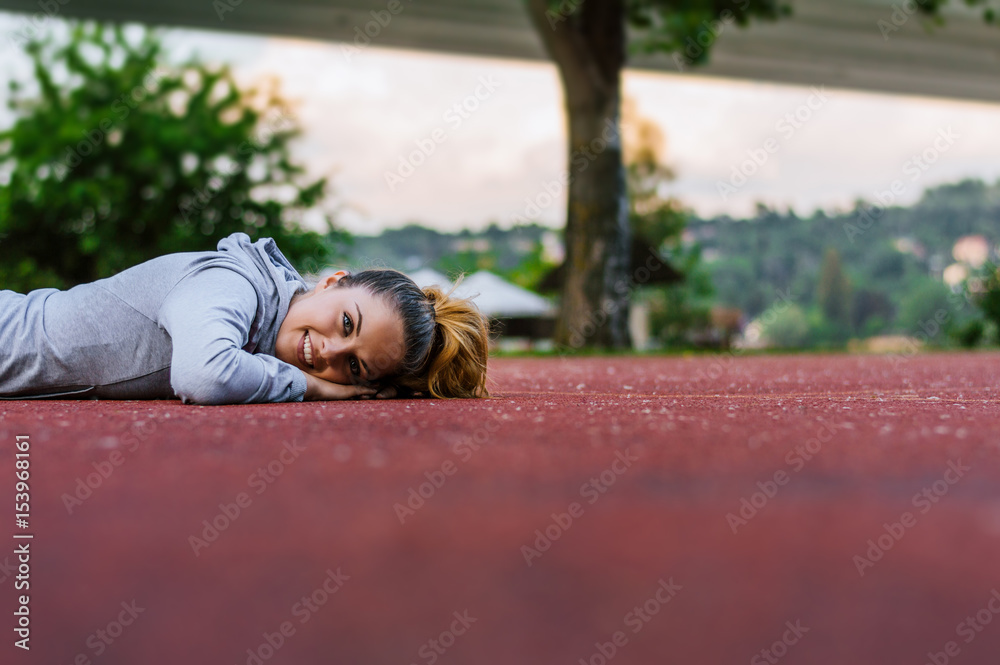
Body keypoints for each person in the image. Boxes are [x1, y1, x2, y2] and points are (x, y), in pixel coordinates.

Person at [0, 232, 490, 403]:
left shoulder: (263, 334)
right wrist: (314, 388)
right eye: (346, 324)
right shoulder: (234, 281)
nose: (330, 353)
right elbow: (204, 375)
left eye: (356, 368)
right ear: (332, 281)